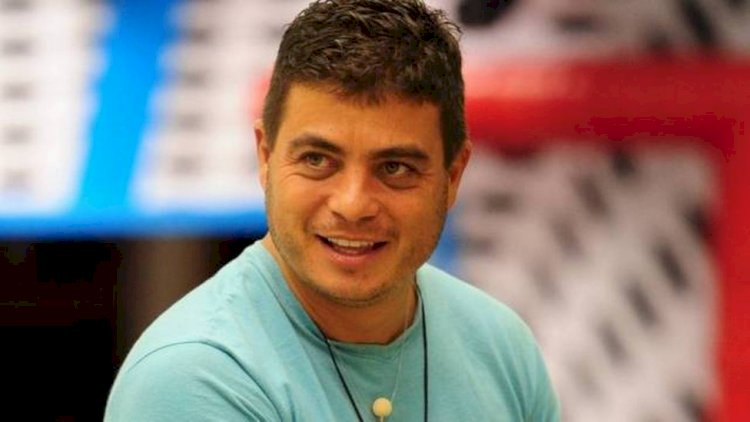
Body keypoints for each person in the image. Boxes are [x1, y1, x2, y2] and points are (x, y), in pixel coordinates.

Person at [105, 0, 560, 420]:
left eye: (395, 168)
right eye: (318, 160)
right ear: (265, 156)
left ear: (453, 176)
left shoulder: (501, 347)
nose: (353, 205)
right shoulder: (194, 376)